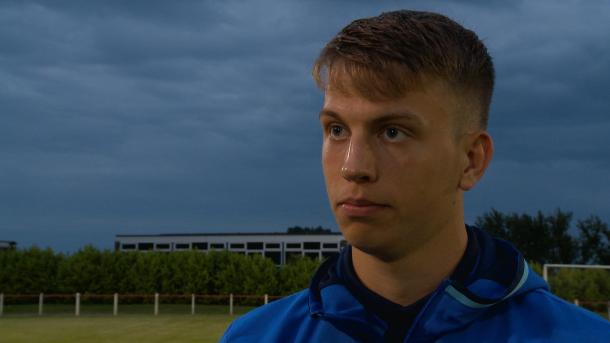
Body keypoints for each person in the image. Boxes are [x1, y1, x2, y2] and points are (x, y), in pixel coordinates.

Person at [220, 10, 610, 342]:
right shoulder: (255, 336)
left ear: (472, 160)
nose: (353, 167)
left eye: (393, 132)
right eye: (337, 130)